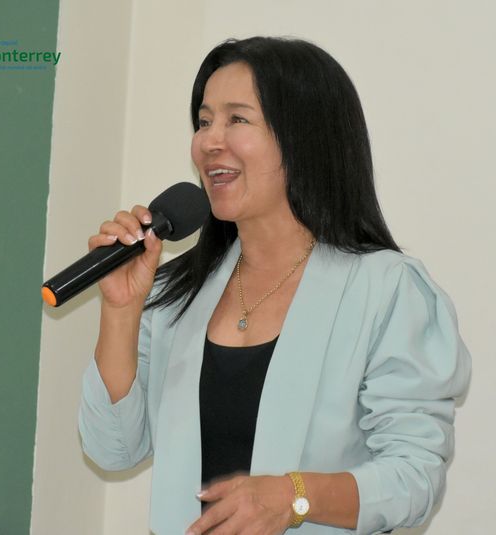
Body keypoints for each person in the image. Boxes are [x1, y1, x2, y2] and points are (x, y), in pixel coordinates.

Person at [78, 37, 471, 535]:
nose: (209, 141)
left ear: (303, 138)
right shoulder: (179, 291)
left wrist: (293, 496)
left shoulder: (387, 290)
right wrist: (120, 311)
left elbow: (414, 477)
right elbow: (113, 449)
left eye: (237, 119)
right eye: (204, 121)